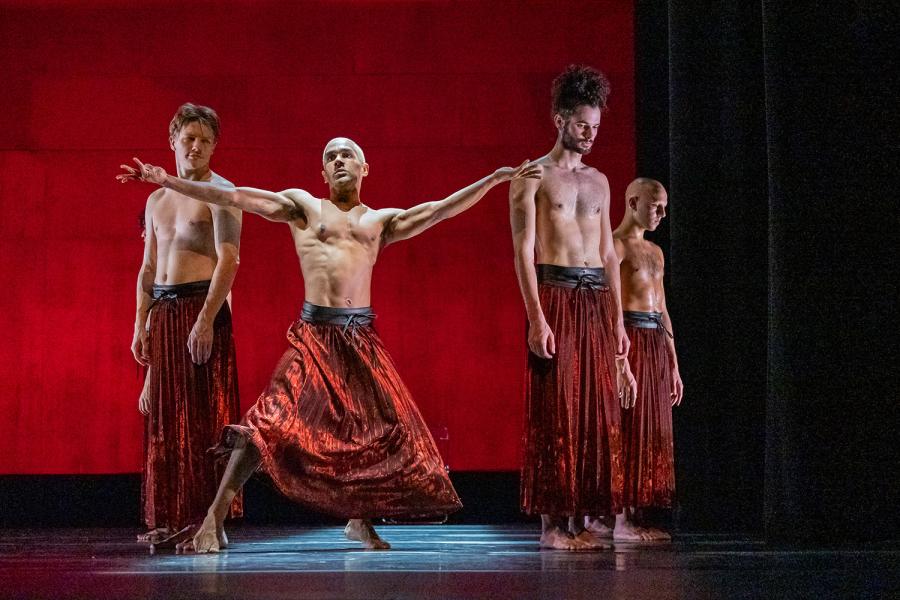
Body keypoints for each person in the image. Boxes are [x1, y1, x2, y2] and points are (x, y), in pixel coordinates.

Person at [119, 136, 540, 552]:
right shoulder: (303, 208)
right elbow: (239, 196)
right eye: (330, 156)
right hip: (314, 335)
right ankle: (214, 518)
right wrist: (169, 181)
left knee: (379, 431)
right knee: (265, 423)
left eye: (348, 155)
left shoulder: (380, 222)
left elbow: (440, 211)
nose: (339, 160)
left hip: (359, 338)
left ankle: (360, 520)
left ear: (364, 168)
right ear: (322, 172)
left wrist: (494, 179)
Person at [510, 65, 639, 550]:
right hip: (557, 293)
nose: (590, 134)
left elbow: (608, 253)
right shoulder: (532, 176)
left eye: (597, 127)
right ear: (561, 119)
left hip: (595, 298)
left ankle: (580, 519)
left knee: (593, 409)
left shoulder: (601, 182)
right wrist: (537, 315)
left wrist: (618, 319)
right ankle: (551, 528)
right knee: (557, 408)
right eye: (583, 124)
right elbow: (523, 251)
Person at [130, 103, 243, 546]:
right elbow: (147, 267)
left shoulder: (222, 192)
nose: (197, 147)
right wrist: (140, 322)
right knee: (164, 420)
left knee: (200, 419)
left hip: (202, 307)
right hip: (165, 310)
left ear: (215, 146)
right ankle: (169, 513)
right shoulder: (156, 198)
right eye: (189, 138)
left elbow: (229, 259)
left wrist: (206, 320)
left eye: (206, 140)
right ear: (173, 141)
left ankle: (204, 520)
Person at [610, 177, 683, 540]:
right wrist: (619, 357)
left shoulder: (655, 252)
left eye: (665, 207)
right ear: (633, 201)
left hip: (655, 337)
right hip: (630, 336)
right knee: (629, 425)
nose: (661, 214)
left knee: (652, 428)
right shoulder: (615, 245)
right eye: (656, 206)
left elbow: (664, 307)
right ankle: (620, 518)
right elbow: (608, 304)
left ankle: (637, 513)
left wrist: (674, 363)